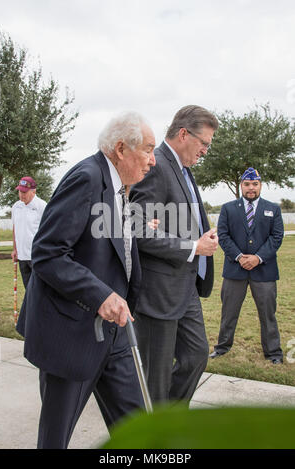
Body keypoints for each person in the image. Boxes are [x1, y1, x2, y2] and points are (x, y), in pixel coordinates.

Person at [16, 111, 156, 449]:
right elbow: (48, 253)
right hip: (72, 333)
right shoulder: (86, 177)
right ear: (121, 149)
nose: (153, 161)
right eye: (149, 150)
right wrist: (100, 295)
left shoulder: (122, 188)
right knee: (55, 438)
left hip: (115, 333)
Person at [130, 105, 219, 403]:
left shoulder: (183, 169)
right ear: (184, 134)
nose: (206, 150)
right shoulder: (157, 166)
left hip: (186, 286)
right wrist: (194, 247)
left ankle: (170, 418)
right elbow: (138, 230)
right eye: (204, 143)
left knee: (196, 356)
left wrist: (200, 239)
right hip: (159, 293)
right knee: (155, 376)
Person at [209, 167, 284, 364]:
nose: (251, 188)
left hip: (264, 271)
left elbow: (276, 238)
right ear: (241, 185)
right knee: (229, 313)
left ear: (260, 185)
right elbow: (223, 236)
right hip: (235, 270)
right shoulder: (228, 208)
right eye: (247, 184)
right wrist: (240, 257)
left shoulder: (273, 209)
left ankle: (273, 353)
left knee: (268, 315)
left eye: (255, 184)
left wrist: (257, 258)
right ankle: (222, 347)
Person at [11, 177, 47, 288]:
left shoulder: (42, 206)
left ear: (33, 191)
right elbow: (15, 229)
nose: (22, 194)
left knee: (40, 289)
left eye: (25, 192)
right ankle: (30, 306)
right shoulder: (16, 206)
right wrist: (15, 249)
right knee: (28, 289)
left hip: (36, 256)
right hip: (22, 257)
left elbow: (46, 230)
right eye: (20, 191)